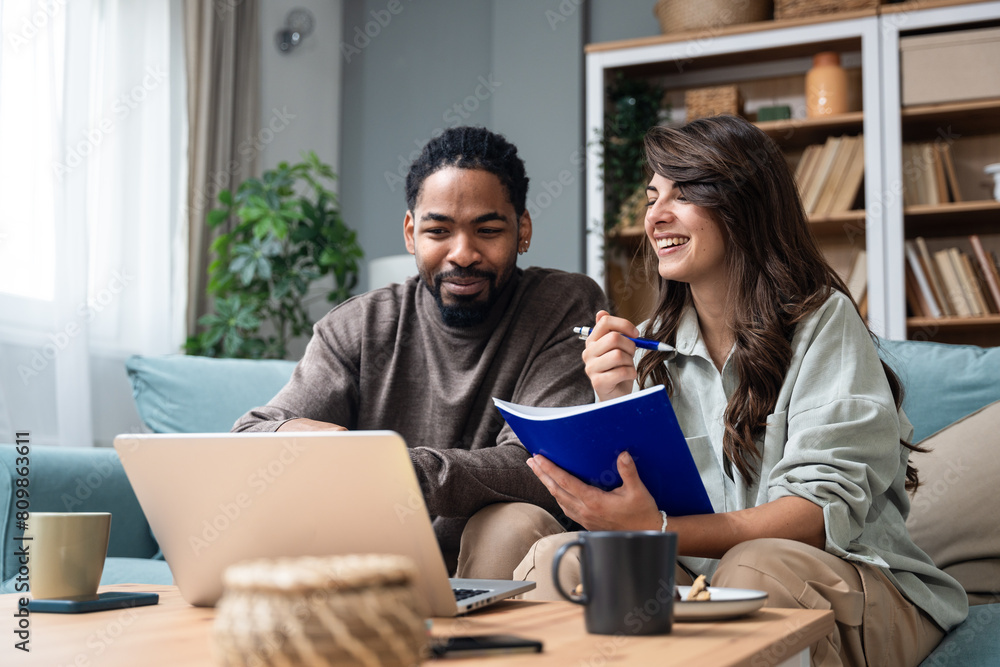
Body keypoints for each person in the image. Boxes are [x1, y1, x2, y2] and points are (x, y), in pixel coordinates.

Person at [513, 115, 967, 666]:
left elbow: (818, 512)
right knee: (559, 560)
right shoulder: (653, 351)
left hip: (856, 583)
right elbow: (641, 497)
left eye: (683, 194)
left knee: (754, 569)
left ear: (744, 205)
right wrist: (614, 400)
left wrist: (658, 529)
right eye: (653, 197)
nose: (656, 216)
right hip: (701, 580)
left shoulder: (824, 321)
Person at [234, 126, 608, 577]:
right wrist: (308, 440)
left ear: (522, 230)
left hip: (495, 559)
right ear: (411, 233)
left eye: (487, 230)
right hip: (375, 557)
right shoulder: (357, 325)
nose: (463, 253)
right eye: (439, 231)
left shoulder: (564, 305)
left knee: (512, 522)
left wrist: (394, 470)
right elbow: (250, 434)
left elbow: (540, 466)